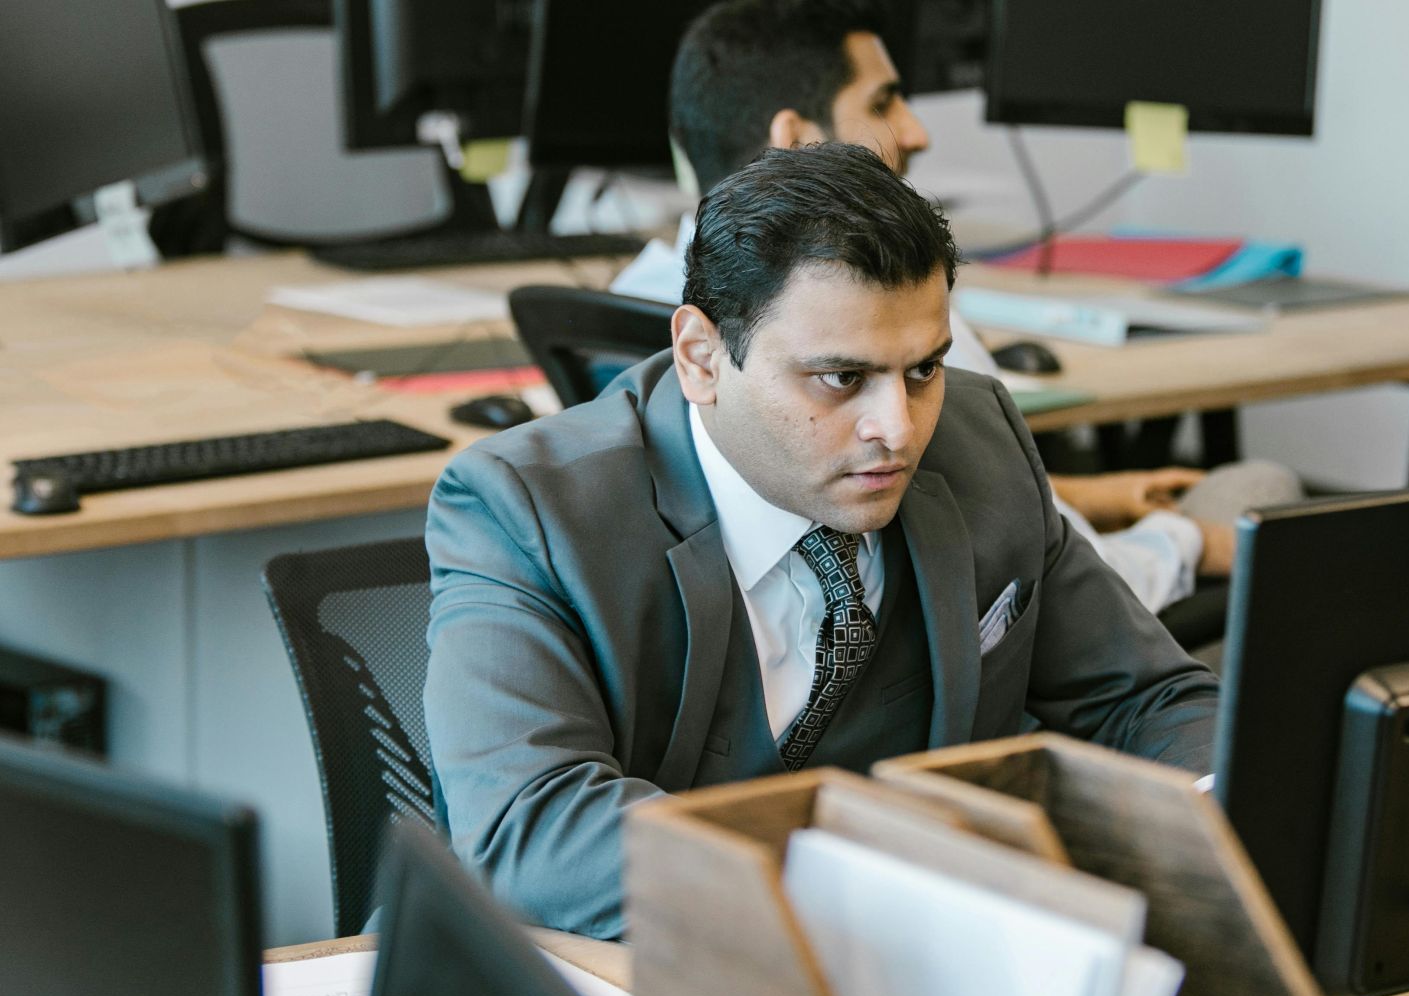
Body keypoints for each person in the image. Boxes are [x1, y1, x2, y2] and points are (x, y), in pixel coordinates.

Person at [424, 143, 1218, 938]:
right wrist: (882, 889)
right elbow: (536, 831)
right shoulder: (525, 509)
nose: (898, 430)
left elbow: (1147, 699)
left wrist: (1220, 808)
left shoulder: (981, 442)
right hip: (620, 980)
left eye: (923, 370)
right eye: (841, 378)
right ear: (702, 359)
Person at [611, 0, 1299, 615]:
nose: (916, 132)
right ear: (794, 138)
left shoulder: (640, 293)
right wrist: (1191, 542)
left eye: (923, 374)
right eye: (883, 104)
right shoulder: (897, 323)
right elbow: (1060, 594)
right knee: (1264, 487)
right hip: (954, 637)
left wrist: (1077, 496)